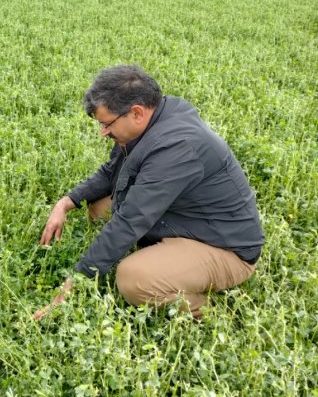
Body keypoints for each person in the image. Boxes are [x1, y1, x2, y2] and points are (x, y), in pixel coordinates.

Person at [35, 65, 264, 320]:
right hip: (185, 219)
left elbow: (129, 222)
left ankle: (209, 314)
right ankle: (165, 260)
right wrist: (66, 203)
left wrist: (68, 291)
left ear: (136, 113)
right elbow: (112, 173)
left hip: (222, 246)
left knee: (133, 279)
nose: (103, 133)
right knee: (99, 208)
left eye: (106, 124)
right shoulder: (153, 121)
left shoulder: (177, 147)